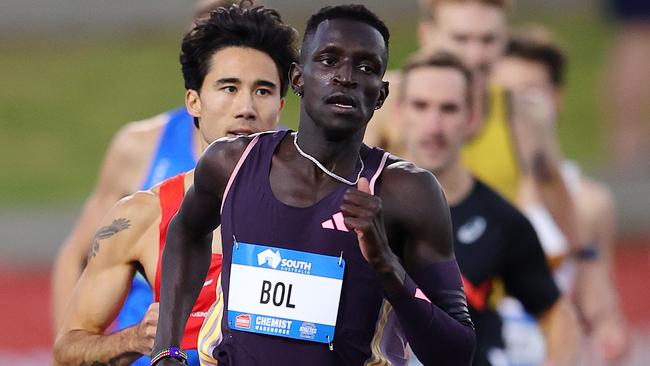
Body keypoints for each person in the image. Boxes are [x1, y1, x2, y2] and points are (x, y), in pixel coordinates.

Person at [153, 5, 476, 366]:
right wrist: (166, 351)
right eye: (328, 60)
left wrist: (387, 266)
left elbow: (456, 353)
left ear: (381, 95)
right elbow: (185, 233)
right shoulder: (231, 164)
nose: (346, 77)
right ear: (297, 79)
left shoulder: (406, 192)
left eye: (366, 67)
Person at [51, 3, 297, 365]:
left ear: (280, 103)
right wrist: (132, 338)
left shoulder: (322, 210)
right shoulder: (144, 215)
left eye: (262, 91)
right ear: (194, 101)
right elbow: (66, 351)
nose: (246, 107)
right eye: (228, 88)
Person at [365, 0, 590, 259]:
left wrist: (587, 261)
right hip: (400, 280)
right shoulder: (386, 99)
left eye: (488, 40)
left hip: (488, 288)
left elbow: (552, 184)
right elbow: (341, 186)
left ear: (505, 39)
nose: (475, 56)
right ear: (427, 35)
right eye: (461, 39)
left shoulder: (523, 113)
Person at [398, 50, 580, 366]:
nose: (434, 126)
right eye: (421, 106)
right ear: (399, 113)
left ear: (472, 118)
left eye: (449, 109)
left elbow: (555, 311)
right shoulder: (360, 202)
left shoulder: (502, 220)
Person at [493, 30, 628, 363]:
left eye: (531, 94)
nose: (518, 109)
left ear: (557, 98)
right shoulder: (464, 186)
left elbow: (600, 309)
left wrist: (610, 331)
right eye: (506, 95)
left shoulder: (589, 203)